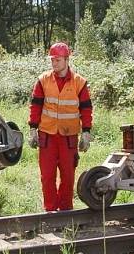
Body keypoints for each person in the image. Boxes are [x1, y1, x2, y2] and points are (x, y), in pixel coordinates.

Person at [27, 42, 93, 211]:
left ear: (66, 60)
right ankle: (50, 209)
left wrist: (86, 132)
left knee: (68, 175)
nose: (54, 63)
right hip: (47, 136)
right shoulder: (43, 80)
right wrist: (33, 128)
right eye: (52, 60)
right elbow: (36, 105)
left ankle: (65, 210)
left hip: (69, 137)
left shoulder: (79, 82)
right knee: (47, 176)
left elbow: (86, 109)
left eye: (57, 60)